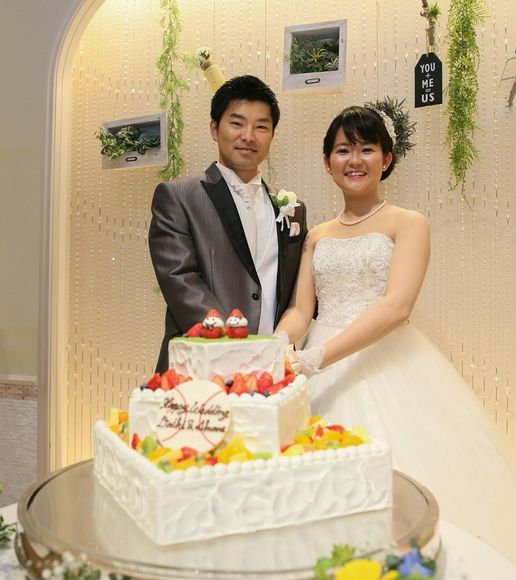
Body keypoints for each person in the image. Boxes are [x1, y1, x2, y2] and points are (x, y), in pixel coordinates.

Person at [275, 105, 516, 562]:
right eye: (343, 150)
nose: (354, 160)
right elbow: (302, 310)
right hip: (315, 368)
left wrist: (317, 358)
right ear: (327, 161)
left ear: (386, 159)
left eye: (367, 149)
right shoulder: (318, 234)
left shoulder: (409, 223)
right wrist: (277, 345)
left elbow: (396, 307)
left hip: (384, 360)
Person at [149, 75, 307, 372]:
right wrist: (235, 348)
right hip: (201, 365)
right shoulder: (179, 197)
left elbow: (295, 293)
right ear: (214, 129)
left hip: (271, 367)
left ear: (272, 135)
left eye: (261, 126)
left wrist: (276, 349)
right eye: (237, 123)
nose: (249, 135)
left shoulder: (293, 209)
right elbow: (180, 279)